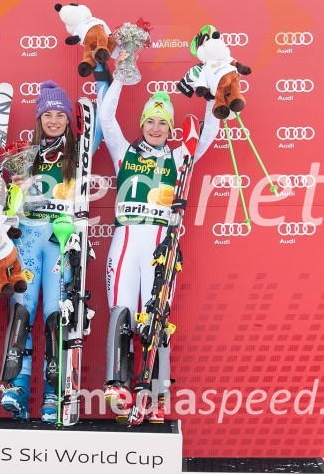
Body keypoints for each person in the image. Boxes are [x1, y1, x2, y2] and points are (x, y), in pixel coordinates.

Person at [98, 51, 209, 423]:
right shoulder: (123, 151)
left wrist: (213, 92)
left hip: (162, 244)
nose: (157, 127)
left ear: (170, 127)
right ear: (143, 123)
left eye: (163, 122)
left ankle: (157, 394)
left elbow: (209, 132)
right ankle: (118, 385)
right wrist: (120, 77)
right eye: (151, 121)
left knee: (156, 317)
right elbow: (105, 119)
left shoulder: (180, 158)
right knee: (123, 312)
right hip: (127, 238)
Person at [0, 79, 104, 423]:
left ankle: (53, 395)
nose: (54, 120)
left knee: (57, 317)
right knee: (22, 312)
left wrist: (104, 71)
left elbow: (103, 118)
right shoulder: (23, 154)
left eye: (60, 114)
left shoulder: (81, 151)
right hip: (28, 236)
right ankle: (15, 387)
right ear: (39, 118)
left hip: (60, 240)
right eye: (48, 115)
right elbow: (9, 199)